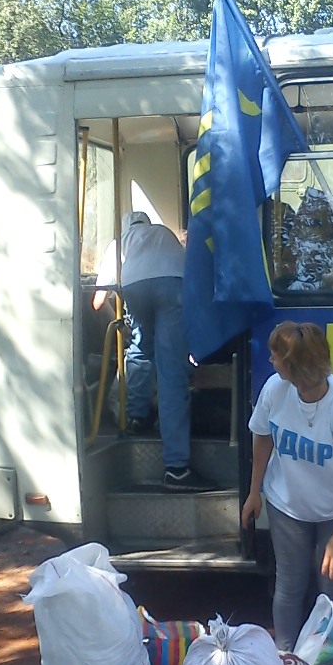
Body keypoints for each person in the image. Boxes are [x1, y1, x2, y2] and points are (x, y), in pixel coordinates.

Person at [241, 321, 333, 651]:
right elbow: (262, 436)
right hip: (287, 506)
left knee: (332, 589)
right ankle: (286, 660)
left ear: (295, 366)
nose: (271, 361)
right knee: (289, 586)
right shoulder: (275, 389)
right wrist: (254, 490)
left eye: (276, 356)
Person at [94, 211, 215, 492]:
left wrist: (122, 322)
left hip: (134, 287)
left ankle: (137, 417)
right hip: (172, 284)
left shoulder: (119, 242)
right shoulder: (162, 233)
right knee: (171, 370)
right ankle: (176, 469)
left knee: (139, 346)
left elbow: (97, 301)